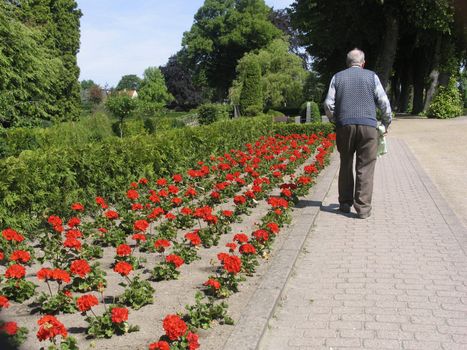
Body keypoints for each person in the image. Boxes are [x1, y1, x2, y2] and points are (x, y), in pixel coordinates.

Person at [324, 48, 392, 219]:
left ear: (347, 63)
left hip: (344, 126)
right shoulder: (372, 76)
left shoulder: (337, 77)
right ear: (363, 63)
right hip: (368, 126)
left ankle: (345, 204)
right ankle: (362, 209)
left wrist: (335, 120)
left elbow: (328, 104)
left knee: (345, 163)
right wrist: (385, 123)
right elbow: (384, 102)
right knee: (366, 167)